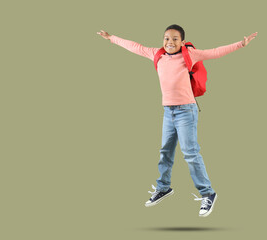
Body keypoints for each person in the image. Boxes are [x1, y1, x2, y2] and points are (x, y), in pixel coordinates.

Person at [97, 24, 257, 217]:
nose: (169, 42)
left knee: (190, 153)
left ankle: (208, 193)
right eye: (166, 38)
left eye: (174, 39)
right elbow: (135, 46)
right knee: (165, 151)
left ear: (182, 41)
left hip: (186, 111)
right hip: (168, 112)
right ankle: (163, 187)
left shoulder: (190, 54)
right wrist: (112, 38)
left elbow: (214, 52)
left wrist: (241, 44)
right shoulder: (157, 54)